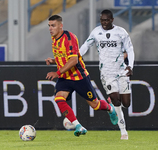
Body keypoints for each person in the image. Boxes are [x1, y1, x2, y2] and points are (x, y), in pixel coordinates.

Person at [45, 14, 118, 137]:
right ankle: (78, 126)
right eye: (49, 26)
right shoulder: (54, 39)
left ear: (61, 26)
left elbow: (74, 60)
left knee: (95, 105)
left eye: (53, 25)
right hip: (65, 78)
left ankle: (111, 109)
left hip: (79, 77)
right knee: (58, 98)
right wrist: (53, 60)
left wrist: (57, 73)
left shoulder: (69, 38)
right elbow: (64, 57)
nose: (50, 28)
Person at [79, 9, 134, 140]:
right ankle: (123, 131)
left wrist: (130, 66)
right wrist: (76, 57)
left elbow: (130, 50)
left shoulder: (121, 32)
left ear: (112, 20)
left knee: (126, 103)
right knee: (116, 99)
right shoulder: (96, 32)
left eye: (106, 20)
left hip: (121, 71)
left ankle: (116, 108)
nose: (104, 23)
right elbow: (85, 46)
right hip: (106, 72)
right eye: (102, 20)